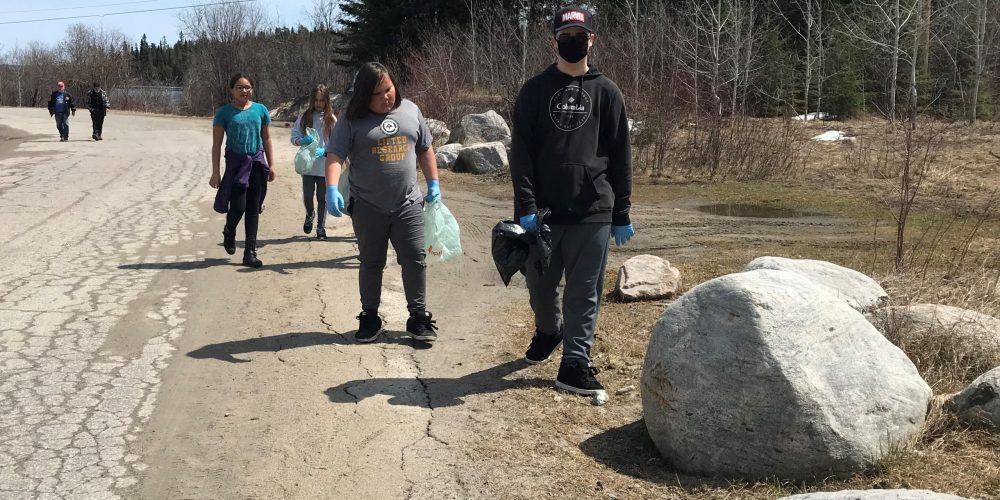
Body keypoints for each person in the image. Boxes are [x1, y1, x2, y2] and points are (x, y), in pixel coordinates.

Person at [509, 6, 635, 401]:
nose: (573, 41)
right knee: (541, 288)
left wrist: (622, 212)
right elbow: (521, 153)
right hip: (543, 213)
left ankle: (575, 363)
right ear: (555, 41)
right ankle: (549, 331)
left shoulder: (607, 92)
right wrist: (526, 206)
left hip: (593, 209)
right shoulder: (533, 90)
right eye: (566, 35)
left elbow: (620, 154)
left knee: (585, 291)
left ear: (591, 39)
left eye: (580, 35)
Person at [324, 62, 441, 344]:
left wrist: (434, 183)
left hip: (408, 204)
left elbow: (425, 149)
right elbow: (335, 156)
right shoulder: (351, 119)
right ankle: (370, 316)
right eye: (378, 93)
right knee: (371, 263)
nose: (387, 96)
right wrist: (330, 187)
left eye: (388, 89)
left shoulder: (411, 111)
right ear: (365, 95)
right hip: (368, 206)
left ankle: (418, 317)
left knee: (415, 259)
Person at [209, 73, 275, 268]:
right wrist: (215, 172)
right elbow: (217, 144)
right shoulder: (224, 113)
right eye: (239, 87)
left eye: (247, 87)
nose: (243, 90)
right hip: (236, 164)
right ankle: (230, 230)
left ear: (252, 89)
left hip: (256, 163)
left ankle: (250, 252)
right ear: (232, 90)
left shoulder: (260, 110)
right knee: (238, 206)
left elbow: (267, 139)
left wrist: (271, 165)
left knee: (253, 208)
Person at [291, 84, 336, 240]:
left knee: (322, 197)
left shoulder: (331, 119)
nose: (318, 103)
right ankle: (310, 214)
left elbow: (337, 142)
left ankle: (321, 228)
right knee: (308, 195)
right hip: (308, 165)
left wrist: (326, 151)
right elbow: (294, 136)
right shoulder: (305, 117)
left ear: (326, 101)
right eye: (316, 100)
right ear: (312, 101)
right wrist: (301, 141)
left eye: (322, 100)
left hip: (324, 165)